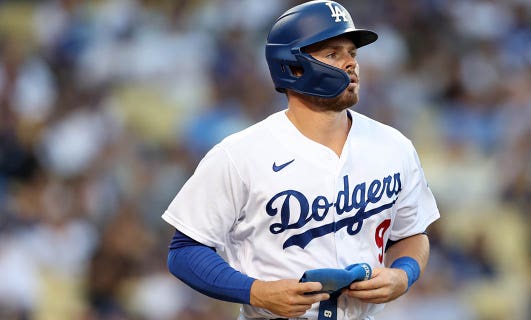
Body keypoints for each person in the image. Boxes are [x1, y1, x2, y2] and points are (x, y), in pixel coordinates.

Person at [162, 1, 440, 319]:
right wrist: (256, 291)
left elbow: (411, 234)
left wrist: (404, 274)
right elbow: (185, 251)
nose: (351, 63)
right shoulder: (240, 154)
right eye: (333, 54)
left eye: (353, 53)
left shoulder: (394, 146)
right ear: (292, 66)